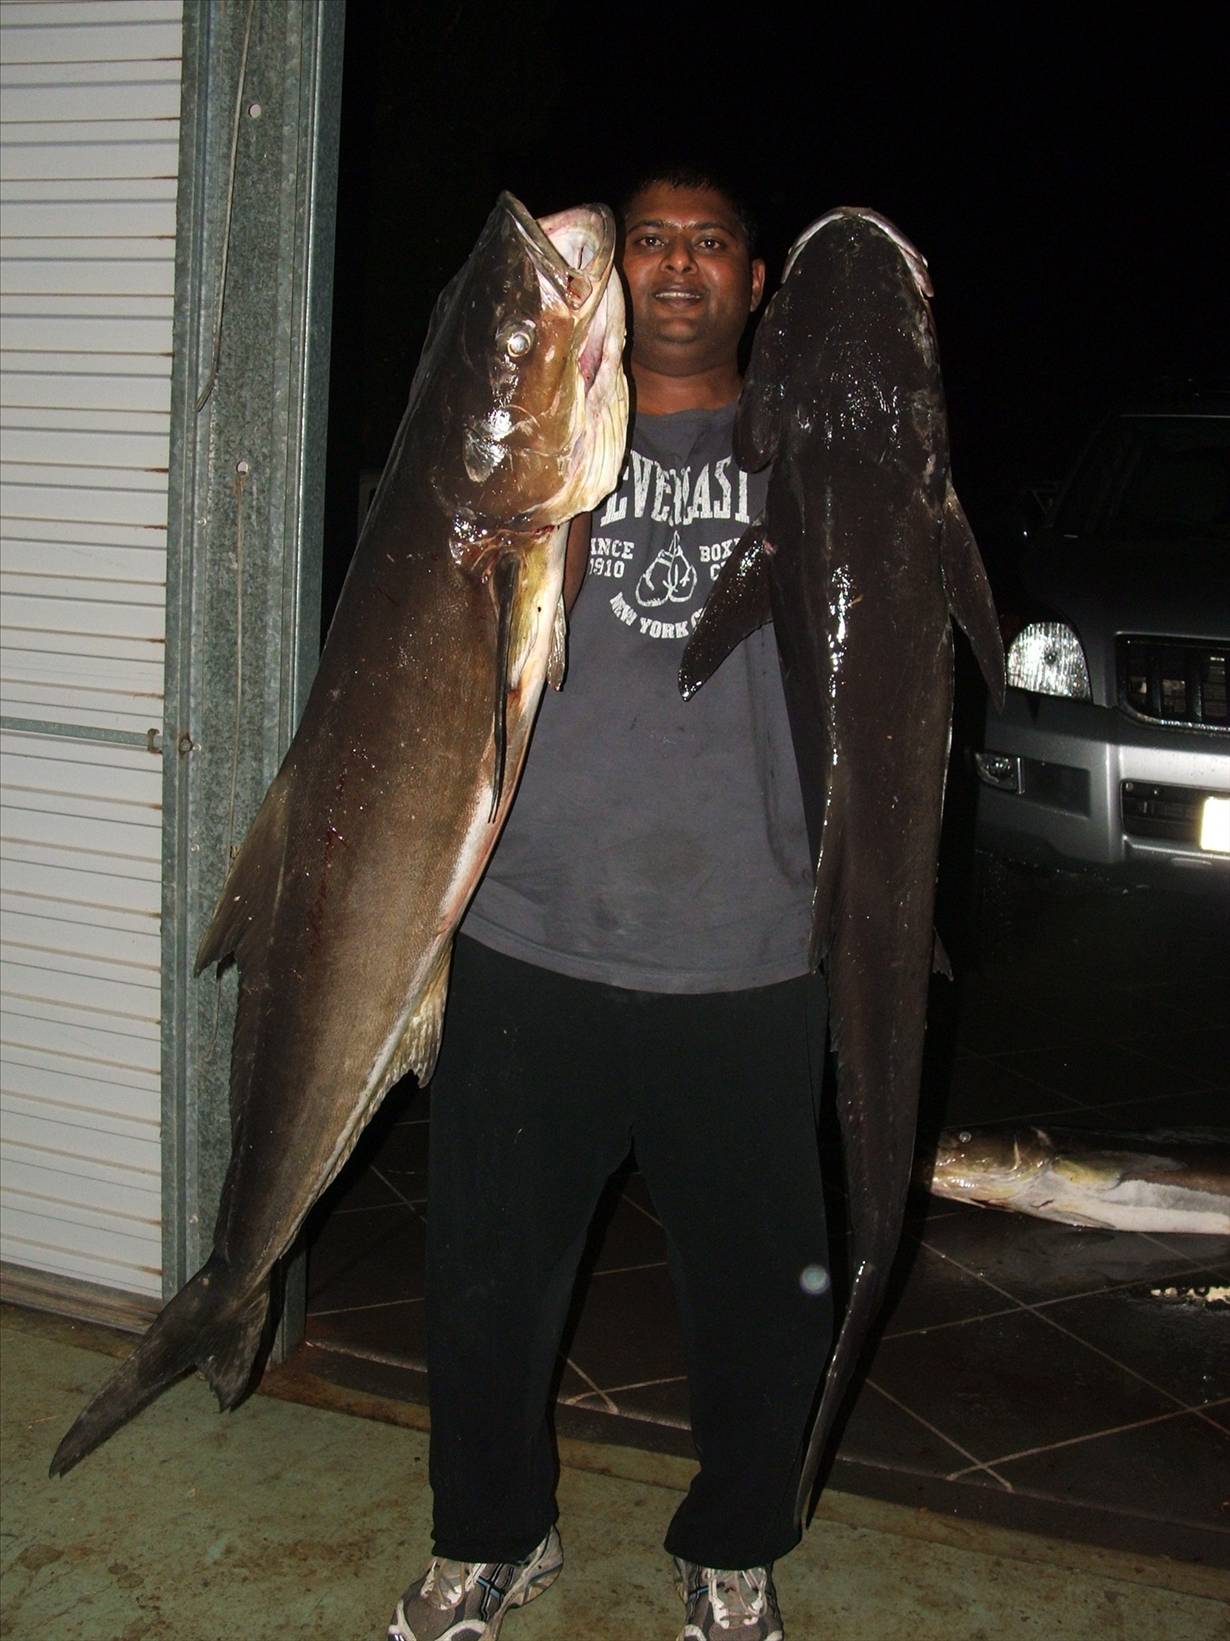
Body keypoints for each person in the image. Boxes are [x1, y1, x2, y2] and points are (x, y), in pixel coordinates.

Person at [388, 167, 832, 1641]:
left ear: (754, 282)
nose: (679, 265)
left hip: (751, 950)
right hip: (529, 934)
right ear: (618, 275)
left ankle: (732, 1543)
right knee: (485, 1286)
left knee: (763, 1298)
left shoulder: (817, 454)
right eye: (652, 241)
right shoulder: (533, 433)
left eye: (712, 242)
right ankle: (489, 1533)